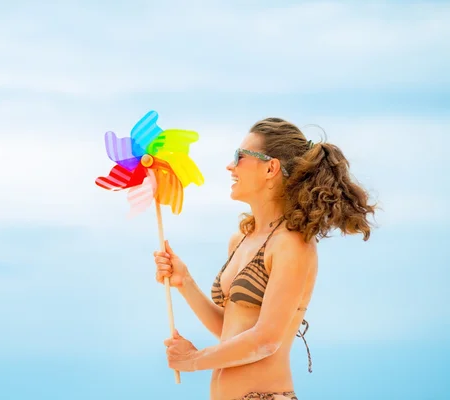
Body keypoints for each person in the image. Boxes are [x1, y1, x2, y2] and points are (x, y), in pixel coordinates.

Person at [154, 117, 376, 400]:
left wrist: (194, 360)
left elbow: (266, 340)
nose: (230, 166)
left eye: (240, 157)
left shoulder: (291, 244)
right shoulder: (241, 240)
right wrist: (184, 282)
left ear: (271, 167)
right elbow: (231, 332)